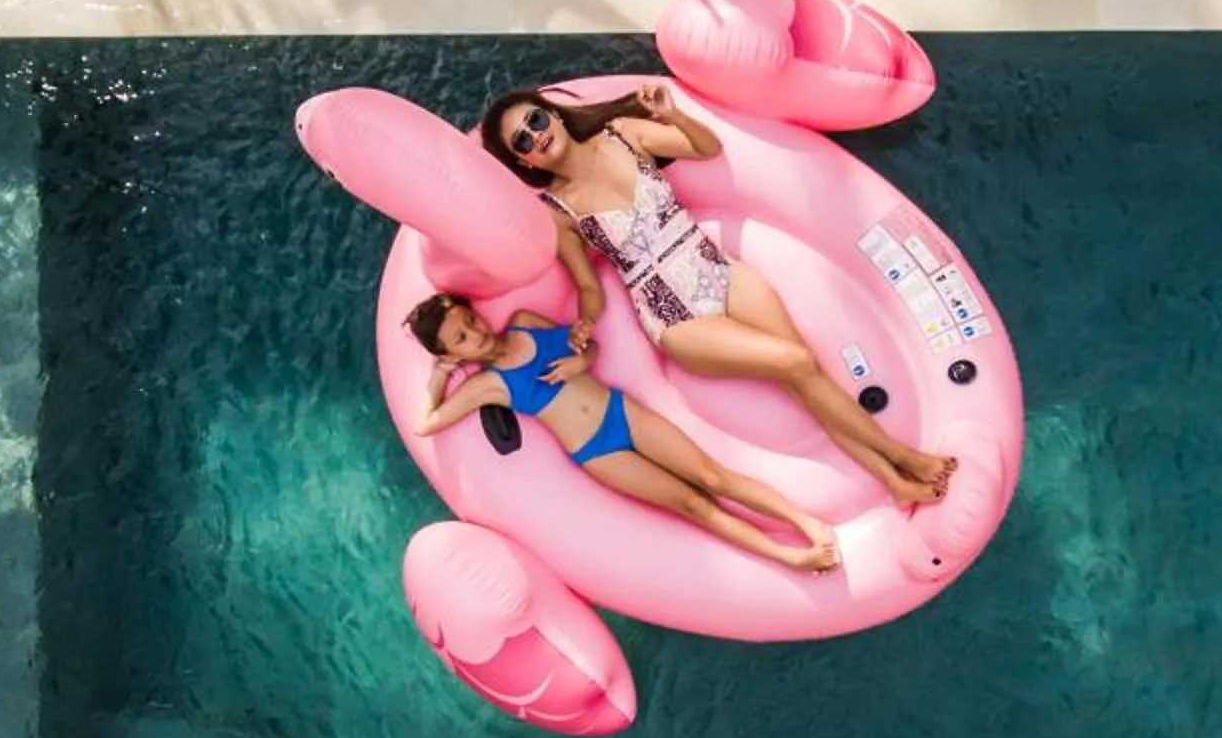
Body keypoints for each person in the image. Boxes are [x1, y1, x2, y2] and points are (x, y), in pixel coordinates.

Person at [476, 81, 958, 508]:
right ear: (524, 160)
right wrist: (585, 321)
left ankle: (893, 484)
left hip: (715, 267)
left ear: (553, 114)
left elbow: (704, 148)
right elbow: (586, 283)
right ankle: (903, 458)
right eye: (523, 140)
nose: (536, 134)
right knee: (798, 364)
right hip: (674, 315)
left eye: (535, 120)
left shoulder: (623, 132)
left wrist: (673, 115)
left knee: (803, 374)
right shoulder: (558, 211)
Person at [407, 292, 840, 574]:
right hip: (597, 451)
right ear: (451, 353)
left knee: (712, 476)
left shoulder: (525, 322)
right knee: (693, 504)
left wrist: (582, 360)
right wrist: (437, 378)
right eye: (461, 338)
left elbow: (584, 346)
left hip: (622, 411)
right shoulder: (486, 385)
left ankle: (806, 522)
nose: (476, 333)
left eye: (471, 320)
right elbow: (426, 424)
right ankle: (791, 557)